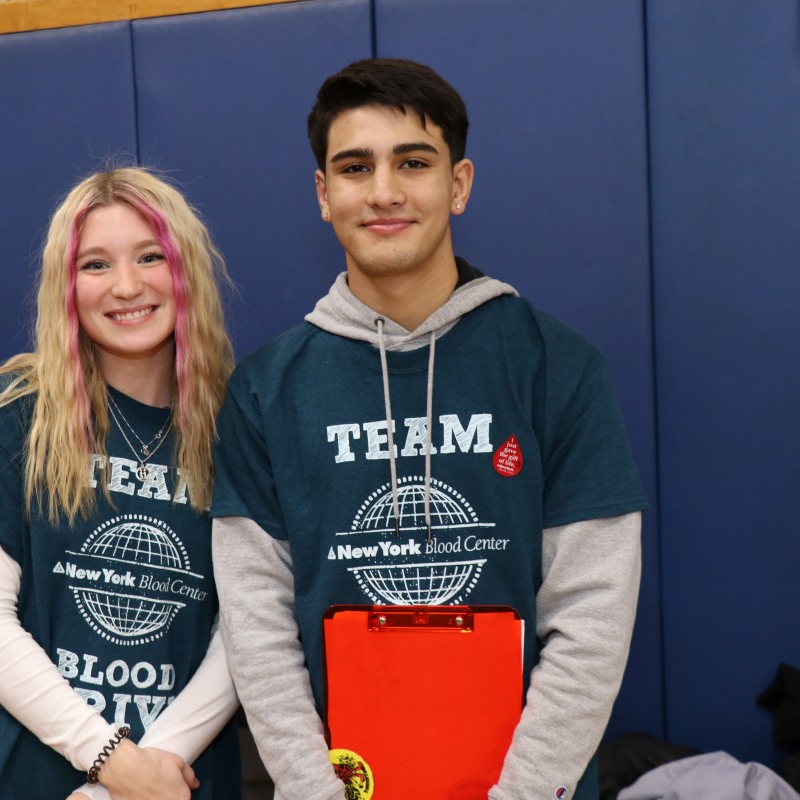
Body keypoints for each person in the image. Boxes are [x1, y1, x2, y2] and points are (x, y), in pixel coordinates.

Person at [210, 58, 648, 800]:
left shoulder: (558, 367)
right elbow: (257, 627)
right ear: (323, 194)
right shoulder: (264, 390)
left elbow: (592, 617)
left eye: (413, 162)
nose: (384, 192)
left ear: (459, 183)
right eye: (355, 167)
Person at [0, 167, 240, 800]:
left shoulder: (236, 428)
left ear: (187, 274)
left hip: (176, 776)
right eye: (95, 265)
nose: (126, 286)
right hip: (19, 775)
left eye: (151, 257)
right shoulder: (10, 414)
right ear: (64, 286)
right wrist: (110, 761)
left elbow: (246, 631)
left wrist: (143, 773)